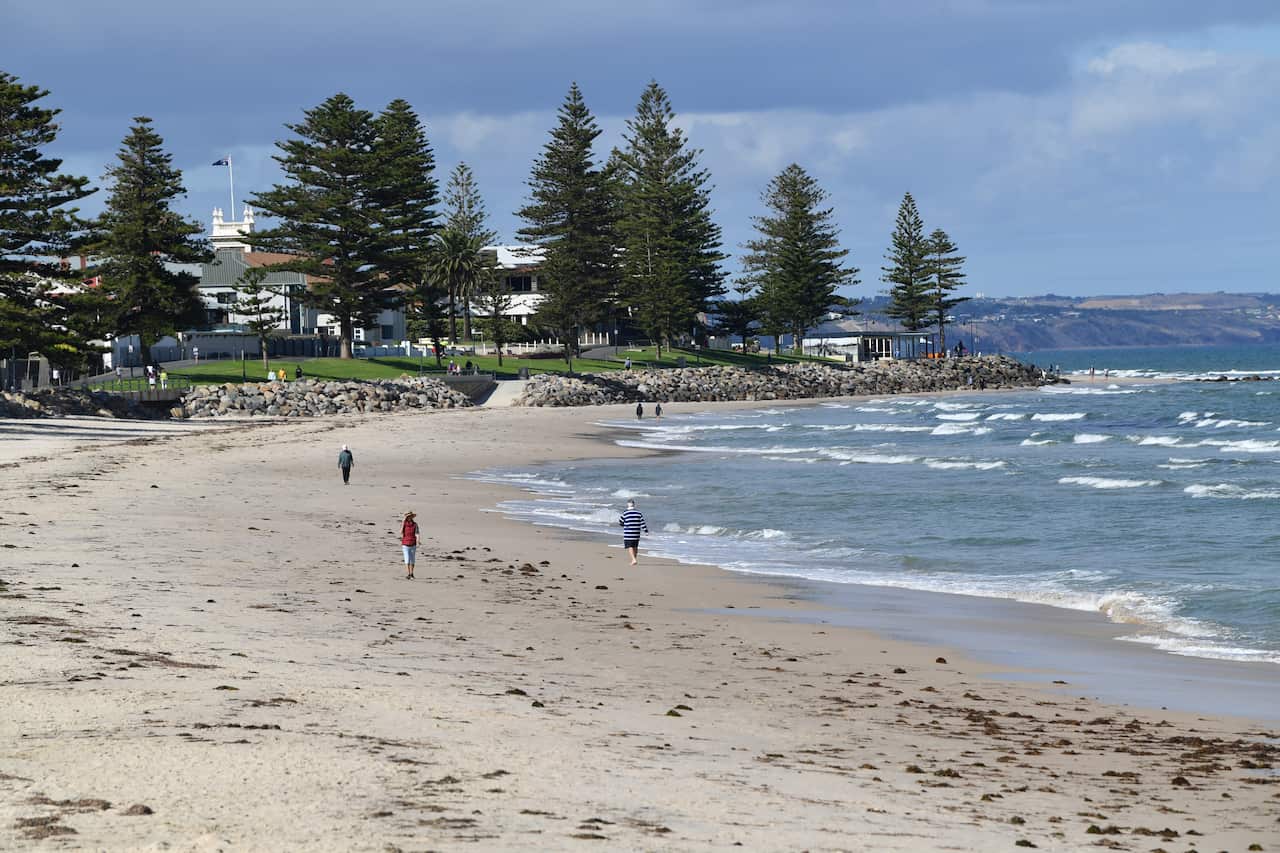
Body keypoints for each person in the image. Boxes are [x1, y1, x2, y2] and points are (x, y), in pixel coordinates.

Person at [618, 499, 649, 566]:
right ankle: (634, 559)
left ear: (627, 504)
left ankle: (634, 559)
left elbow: (620, 522)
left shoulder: (625, 513)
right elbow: (642, 523)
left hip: (628, 533)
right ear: (634, 505)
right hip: (637, 533)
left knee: (630, 546)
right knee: (635, 546)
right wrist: (646, 531)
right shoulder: (639, 513)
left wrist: (624, 524)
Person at [400, 511, 419, 579]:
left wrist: (418, 540)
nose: (409, 517)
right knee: (407, 559)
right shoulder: (404, 524)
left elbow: (417, 533)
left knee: (412, 559)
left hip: (413, 543)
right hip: (405, 543)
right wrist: (403, 522)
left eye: (410, 516)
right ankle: (408, 573)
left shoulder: (415, 524)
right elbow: (401, 532)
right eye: (408, 516)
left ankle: (412, 573)